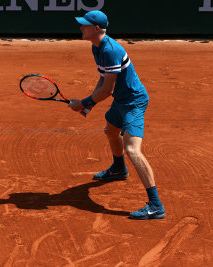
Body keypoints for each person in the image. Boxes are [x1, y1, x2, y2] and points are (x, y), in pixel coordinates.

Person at [69, 10, 165, 220]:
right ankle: (119, 169)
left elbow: (107, 90)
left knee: (132, 149)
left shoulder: (111, 50)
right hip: (121, 100)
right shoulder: (97, 47)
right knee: (111, 131)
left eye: (84, 25)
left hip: (133, 102)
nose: (80, 28)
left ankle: (156, 205)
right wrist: (89, 105)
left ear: (96, 29)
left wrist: (84, 102)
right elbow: (103, 79)